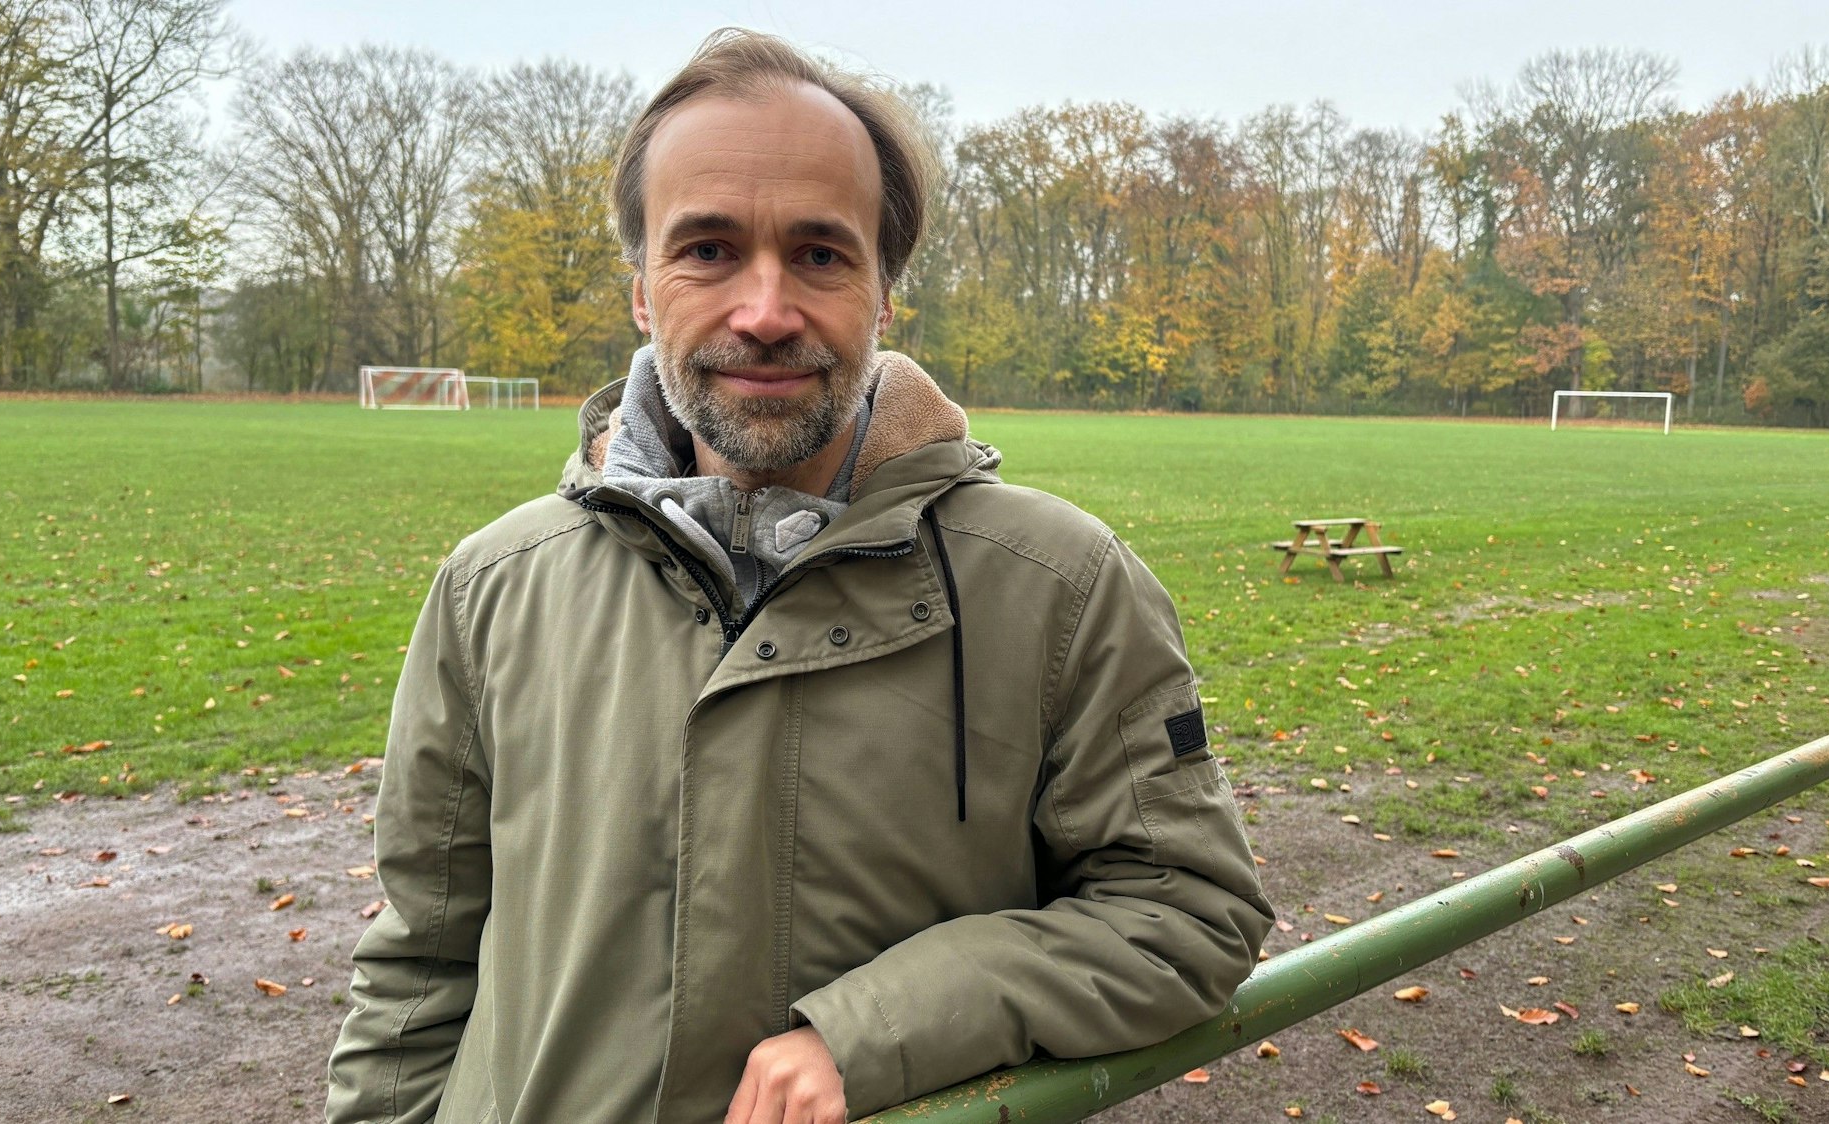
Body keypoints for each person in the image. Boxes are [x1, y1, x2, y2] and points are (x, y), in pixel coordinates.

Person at [325, 28, 1272, 1124]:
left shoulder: (1059, 587)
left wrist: (875, 1028)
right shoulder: (493, 586)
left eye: (821, 254)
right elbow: (421, 962)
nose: (765, 312)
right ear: (642, 288)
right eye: (708, 249)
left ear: (884, 294)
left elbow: (1187, 912)